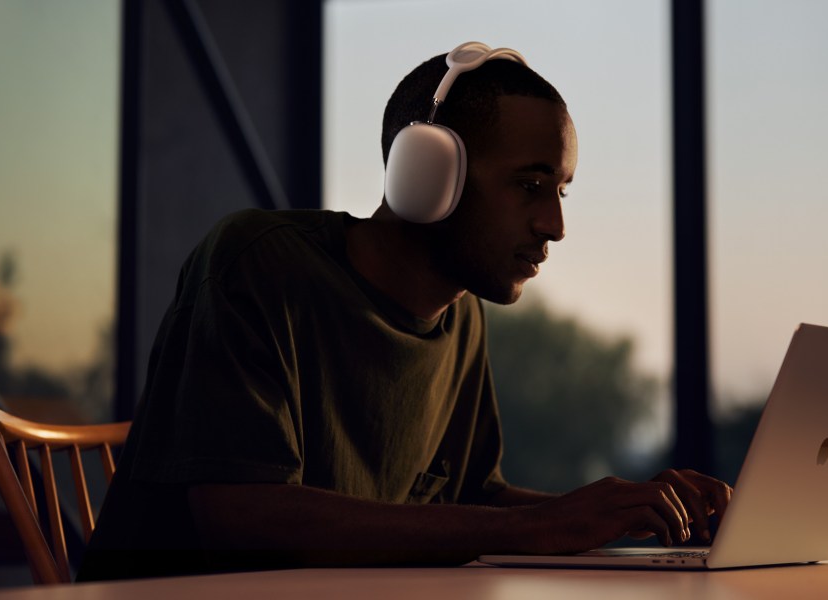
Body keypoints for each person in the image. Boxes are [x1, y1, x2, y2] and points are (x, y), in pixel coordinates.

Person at [78, 42, 731, 581]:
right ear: (427, 171)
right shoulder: (258, 263)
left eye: (560, 190)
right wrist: (542, 526)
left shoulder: (461, 317)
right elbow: (240, 518)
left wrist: (626, 513)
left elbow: (472, 499)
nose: (555, 225)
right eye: (530, 186)